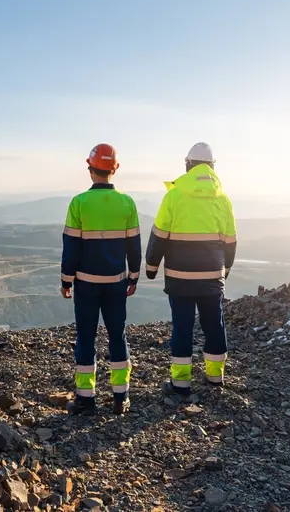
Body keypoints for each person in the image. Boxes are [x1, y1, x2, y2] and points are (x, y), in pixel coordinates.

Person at [144, 142, 236, 398]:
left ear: (188, 165)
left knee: (182, 327)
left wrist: (151, 268)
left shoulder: (174, 196)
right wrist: (223, 272)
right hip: (211, 278)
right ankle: (215, 376)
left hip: (180, 279)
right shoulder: (223, 199)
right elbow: (231, 242)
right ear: (212, 167)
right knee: (214, 324)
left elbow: (159, 236)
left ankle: (181, 383)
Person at [60, 143, 141, 415]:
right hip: (116, 283)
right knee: (117, 335)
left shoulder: (79, 203)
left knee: (86, 337)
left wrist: (66, 280)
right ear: (114, 169)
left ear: (89, 168)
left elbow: (71, 245)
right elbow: (134, 246)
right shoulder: (127, 203)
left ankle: (86, 399)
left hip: (86, 284)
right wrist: (134, 277)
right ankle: (121, 398)